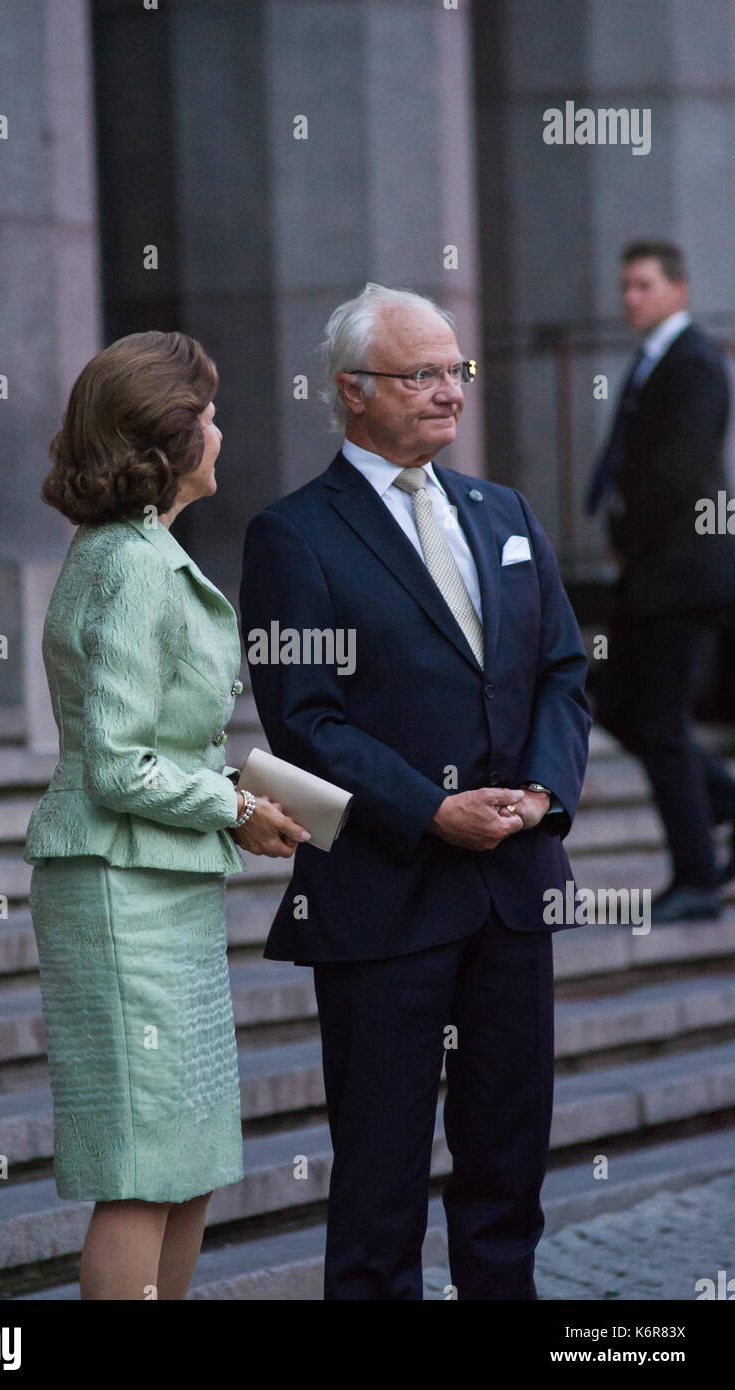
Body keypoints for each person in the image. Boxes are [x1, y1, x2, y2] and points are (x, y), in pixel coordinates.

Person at [239, 282, 591, 1300]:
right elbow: (302, 719)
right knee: (380, 1190)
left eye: (456, 371)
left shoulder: (505, 512)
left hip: (513, 889)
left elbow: (562, 673)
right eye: (422, 374)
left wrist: (539, 792)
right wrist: (428, 809)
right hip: (383, 899)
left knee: (506, 1176)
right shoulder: (292, 534)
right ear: (353, 391)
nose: (449, 392)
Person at [22, 330, 309, 1301]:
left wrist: (235, 793)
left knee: (184, 1163)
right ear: (170, 438)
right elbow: (114, 762)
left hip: (156, 884)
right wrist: (231, 806)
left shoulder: (139, 553)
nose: (223, 433)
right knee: (142, 1170)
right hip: (118, 889)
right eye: (210, 416)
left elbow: (153, 745)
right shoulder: (132, 564)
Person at [585, 241, 735, 923]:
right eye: (623, 287)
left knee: (662, 724)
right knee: (615, 701)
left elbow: (677, 475)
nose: (629, 299)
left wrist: (627, 538)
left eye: (642, 285)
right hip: (654, 575)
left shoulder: (695, 364)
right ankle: (724, 803)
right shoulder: (656, 361)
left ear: (677, 289)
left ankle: (697, 879)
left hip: (680, 574)